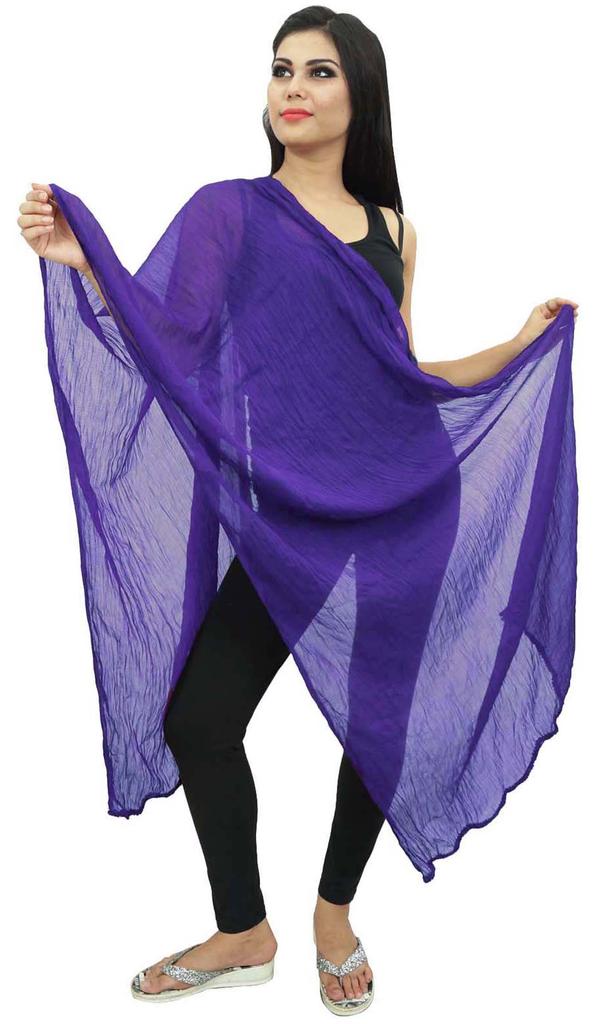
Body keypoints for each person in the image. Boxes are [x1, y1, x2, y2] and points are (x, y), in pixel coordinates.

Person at [18, 7, 578, 1014]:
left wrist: (515, 344)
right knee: (199, 719)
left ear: (360, 94)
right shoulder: (231, 213)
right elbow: (171, 332)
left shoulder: (395, 231)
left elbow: (403, 374)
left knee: (377, 721)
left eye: (320, 71)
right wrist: (86, 260)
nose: (293, 88)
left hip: (410, 500)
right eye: (281, 69)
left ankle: (333, 913)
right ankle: (244, 928)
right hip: (294, 513)